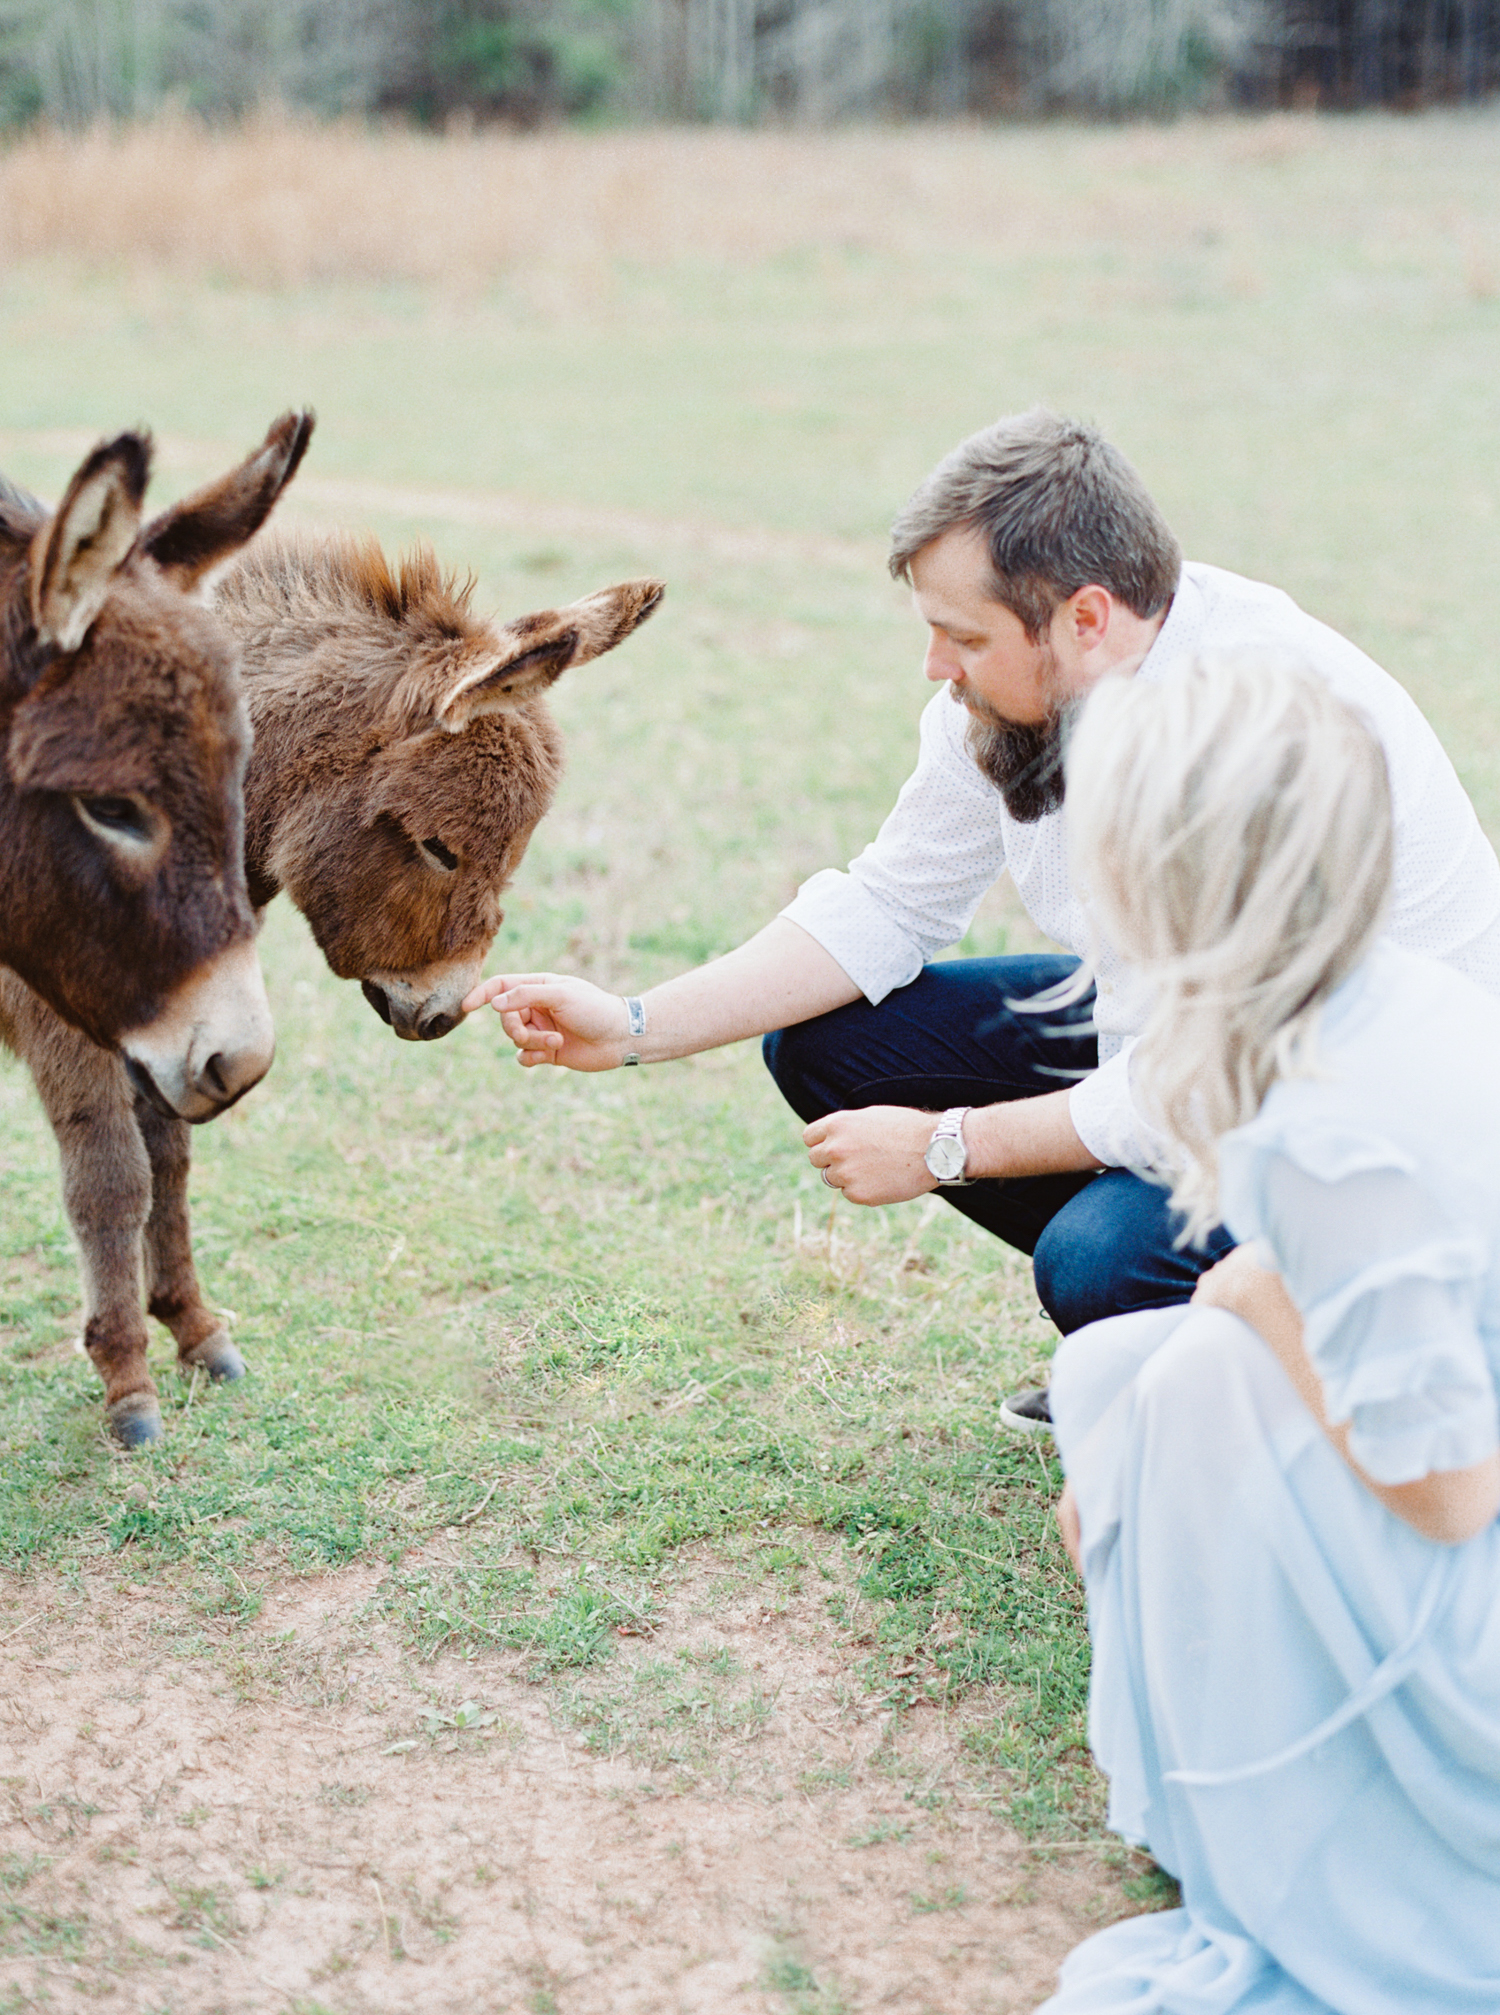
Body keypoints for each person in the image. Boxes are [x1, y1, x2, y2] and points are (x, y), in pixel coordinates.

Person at [462, 411, 1500, 1427]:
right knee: (837, 1044)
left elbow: (1201, 1084)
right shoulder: (1022, 695)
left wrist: (947, 1145)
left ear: (1085, 618)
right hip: (1186, 1046)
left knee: (1099, 1257)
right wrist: (639, 1025)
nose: (935, 667)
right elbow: (889, 901)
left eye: (963, 636)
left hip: (1367, 1130)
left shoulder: (1257, 728)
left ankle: (1272, 1370)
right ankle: (1161, 1340)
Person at [1041, 654, 1500, 2013]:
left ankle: (1304, 1814)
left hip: (1469, 1579)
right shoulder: (1388, 989)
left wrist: (1242, 1304)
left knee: (1185, 1382)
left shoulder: (1329, 1125)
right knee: (1112, 1365)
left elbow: (1447, 1484)